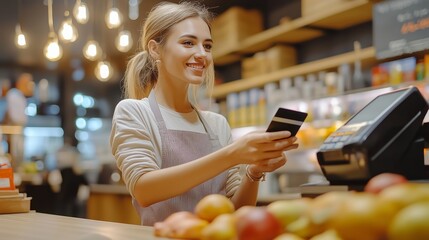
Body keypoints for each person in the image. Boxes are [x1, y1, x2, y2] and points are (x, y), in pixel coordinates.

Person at [110, 1, 299, 226]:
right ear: (155, 49)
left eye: (207, 46)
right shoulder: (135, 112)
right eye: (188, 43)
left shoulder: (217, 124)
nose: (202, 54)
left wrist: (254, 172)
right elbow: (144, 189)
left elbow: (235, 214)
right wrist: (232, 155)